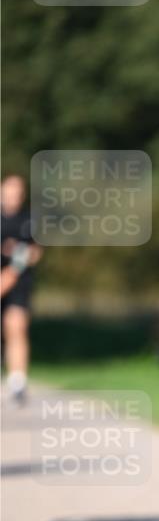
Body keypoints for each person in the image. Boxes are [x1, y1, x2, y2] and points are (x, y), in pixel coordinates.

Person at [1, 174, 43, 406]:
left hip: (18, 281)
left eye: (17, 192)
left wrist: (12, 272)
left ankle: (17, 382)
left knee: (15, 325)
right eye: (9, 191)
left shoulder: (29, 220)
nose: (13, 196)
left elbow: (35, 252)